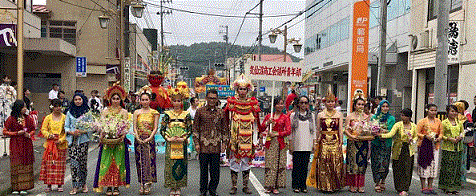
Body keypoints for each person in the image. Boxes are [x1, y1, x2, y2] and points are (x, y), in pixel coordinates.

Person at [224, 74, 262, 195]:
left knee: (246, 163)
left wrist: (257, 136)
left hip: (248, 138)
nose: (242, 91)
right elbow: (227, 119)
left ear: (248, 90)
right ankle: (234, 186)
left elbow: (256, 122)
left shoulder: (253, 103)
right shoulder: (232, 102)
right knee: (234, 161)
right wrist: (228, 136)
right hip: (236, 137)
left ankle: (245, 186)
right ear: (237, 89)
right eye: (240, 89)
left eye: (244, 89)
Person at [93, 84, 131, 195]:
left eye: (117, 98)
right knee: (107, 162)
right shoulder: (105, 111)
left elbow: (126, 125)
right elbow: (102, 125)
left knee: (118, 163)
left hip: (119, 141)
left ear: (121, 99)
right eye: (113, 98)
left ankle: (116, 186)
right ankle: (108, 186)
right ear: (110, 99)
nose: (115, 100)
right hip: (107, 141)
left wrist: (122, 135)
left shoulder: (124, 112)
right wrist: (102, 135)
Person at [307, 87, 345, 192]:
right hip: (323, 140)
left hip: (335, 140)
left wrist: (341, 141)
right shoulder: (320, 114)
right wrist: (316, 141)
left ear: (335, 102)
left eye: (332, 101)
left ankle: (334, 185)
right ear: (325, 103)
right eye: (328, 102)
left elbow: (340, 129)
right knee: (324, 162)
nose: (330, 103)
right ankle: (324, 185)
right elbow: (317, 130)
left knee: (335, 162)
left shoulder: (339, 114)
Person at [193, 89, 227, 196]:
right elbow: (195, 128)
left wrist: (224, 143)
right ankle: (203, 190)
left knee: (215, 170)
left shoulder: (221, 112)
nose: (212, 100)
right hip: (203, 145)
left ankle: (213, 189)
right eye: (210, 98)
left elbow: (224, 128)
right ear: (206, 98)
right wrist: (196, 143)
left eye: (214, 98)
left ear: (217, 99)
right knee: (203, 170)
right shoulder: (200, 111)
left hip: (216, 146)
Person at [160, 85, 192, 196]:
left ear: (182, 101)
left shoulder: (186, 114)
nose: (177, 103)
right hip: (170, 144)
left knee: (180, 164)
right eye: (175, 101)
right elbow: (162, 130)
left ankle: (178, 186)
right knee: (170, 164)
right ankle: (171, 186)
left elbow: (189, 129)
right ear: (172, 102)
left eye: (179, 101)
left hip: (181, 143)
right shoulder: (167, 114)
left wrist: (183, 138)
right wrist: (168, 138)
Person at [379, 108, 417, 196]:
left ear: (409, 117)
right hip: (398, 149)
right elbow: (391, 134)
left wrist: (412, 140)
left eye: (404, 115)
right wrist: (381, 135)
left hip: (408, 149)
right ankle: (399, 187)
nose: (402, 117)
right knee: (397, 168)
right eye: (401, 115)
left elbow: (416, 136)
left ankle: (405, 188)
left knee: (407, 169)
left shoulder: (414, 126)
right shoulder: (398, 125)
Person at [2, 100, 35, 195]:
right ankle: (16, 187)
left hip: (26, 143)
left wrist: (29, 134)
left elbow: (33, 129)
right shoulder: (11, 119)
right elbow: (4, 131)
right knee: (16, 163)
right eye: (23, 107)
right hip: (16, 144)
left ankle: (25, 187)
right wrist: (16, 133)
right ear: (18, 108)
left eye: (25, 107)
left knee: (26, 163)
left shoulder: (28, 118)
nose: (25, 109)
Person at [259, 98, 291, 194]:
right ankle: (269, 185)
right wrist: (267, 123)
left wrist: (277, 134)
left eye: (282, 104)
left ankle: (276, 186)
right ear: (274, 105)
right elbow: (261, 127)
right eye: (278, 104)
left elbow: (288, 131)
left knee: (279, 163)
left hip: (281, 143)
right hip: (270, 143)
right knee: (270, 163)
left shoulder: (285, 117)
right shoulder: (269, 116)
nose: (280, 106)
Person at [344, 94, 374, 193]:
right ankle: (352, 184)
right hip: (353, 142)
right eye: (359, 104)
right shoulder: (350, 116)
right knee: (352, 163)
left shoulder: (367, 117)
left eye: (362, 104)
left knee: (362, 163)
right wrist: (352, 136)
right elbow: (346, 129)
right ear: (355, 105)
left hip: (363, 143)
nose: (360, 106)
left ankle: (360, 185)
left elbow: (370, 129)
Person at [133, 92, 159, 195]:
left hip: (149, 139)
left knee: (149, 160)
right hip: (139, 139)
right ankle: (141, 182)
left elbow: (155, 127)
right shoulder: (136, 112)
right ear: (140, 101)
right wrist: (137, 137)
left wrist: (150, 137)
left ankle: (148, 182)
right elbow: (134, 126)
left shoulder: (155, 112)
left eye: (146, 99)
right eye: (142, 100)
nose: (144, 102)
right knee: (139, 160)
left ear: (150, 100)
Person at [64, 93, 90, 195]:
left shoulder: (87, 112)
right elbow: (66, 126)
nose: (78, 101)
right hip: (73, 142)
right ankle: (75, 186)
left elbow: (91, 126)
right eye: (76, 99)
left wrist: (82, 131)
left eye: (80, 99)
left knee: (82, 163)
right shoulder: (69, 112)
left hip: (83, 141)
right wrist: (72, 132)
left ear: (83, 100)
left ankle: (83, 184)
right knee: (74, 163)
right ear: (73, 101)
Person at [39, 99, 67, 192]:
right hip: (50, 145)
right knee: (49, 165)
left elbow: (67, 131)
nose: (58, 108)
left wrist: (61, 140)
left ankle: (59, 185)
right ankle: (49, 184)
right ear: (52, 107)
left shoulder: (64, 117)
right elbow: (43, 129)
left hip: (61, 145)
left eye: (59, 106)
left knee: (60, 165)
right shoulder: (48, 117)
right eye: (56, 106)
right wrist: (48, 135)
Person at [289, 95, 315, 193]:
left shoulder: (311, 115)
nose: (303, 105)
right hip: (297, 143)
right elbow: (291, 131)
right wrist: (290, 143)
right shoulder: (293, 115)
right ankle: (295, 185)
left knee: (305, 167)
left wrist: (314, 143)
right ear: (298, 104)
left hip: (307, 144)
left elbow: (314, 131)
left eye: (305, 103)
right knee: (296, 167)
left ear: (308, 104)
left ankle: (303, 185)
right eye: (301, 102)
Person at [416, 104, 443, 195]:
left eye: (435, 110)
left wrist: (439, 138)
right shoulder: (422, 121)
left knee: (433, 166)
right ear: (427, 110)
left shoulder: (439, 121)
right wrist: (425, 136)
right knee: (424, 166)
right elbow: (417, 133)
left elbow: (441, 133)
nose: (434, 112)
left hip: (434, 146)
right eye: (431, 110)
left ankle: (430, 186)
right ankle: (423, 187)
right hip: (423, 146)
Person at [370, 100, 395, 192]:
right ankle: (376, 182)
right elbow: (372, 128)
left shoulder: (391, 118)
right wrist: (376, 130)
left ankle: (383, 181)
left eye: (386, 106)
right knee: (375, 162)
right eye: (383, 106)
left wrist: (379, 130)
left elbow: (390, 130)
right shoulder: (374, 117)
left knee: (385, 162)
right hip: (376, 143)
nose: (385, 108)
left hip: (386, 143)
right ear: (380, 107)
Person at [439, 105, 464, 194]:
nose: (454, 113)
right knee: (448, 167)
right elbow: (441, 135)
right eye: (452, 111)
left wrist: (459, 137)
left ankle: (455, 186)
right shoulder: (444, 123)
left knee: (456, 167)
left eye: (455, 111)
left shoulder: (459, 122)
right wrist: (449, 139)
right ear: (448, 112)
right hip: (447, 148)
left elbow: (462, 132)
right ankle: (446, 187)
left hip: (458, 148)